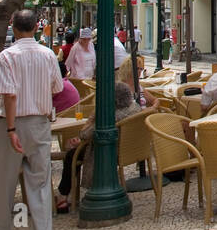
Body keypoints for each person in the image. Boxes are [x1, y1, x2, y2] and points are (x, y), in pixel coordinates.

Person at [0, 9, 63, 230]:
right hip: (40, 124)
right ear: (36, 27)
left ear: (14, 28)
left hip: (13, 124)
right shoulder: (48, 54)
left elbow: (9, 94)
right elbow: (57, 87)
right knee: (40, 187)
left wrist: (10, 129)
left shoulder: (7, 56)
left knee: (3, 188)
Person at [54, 81, 156, 213]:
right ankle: (66, 194)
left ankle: (63, 195)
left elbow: (85, 134)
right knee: (76, 149)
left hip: (109, 152)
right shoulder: (135, 108)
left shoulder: (109, 117)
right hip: (128, 150)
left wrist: (92, 119)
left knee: (71, 155)